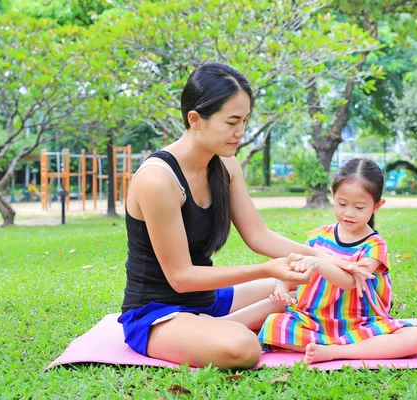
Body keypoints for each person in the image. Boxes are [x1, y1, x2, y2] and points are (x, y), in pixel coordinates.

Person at [118, 62, 365, 370]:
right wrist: (268, 271)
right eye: (232, 121)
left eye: (245, 120)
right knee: (242, 348)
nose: (241, 132)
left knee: (315, 280)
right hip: (157, 314)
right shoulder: (158, 180)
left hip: (207, 299)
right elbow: (181, 278)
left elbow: (258, 235)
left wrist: (327, 258)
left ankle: (221, 322)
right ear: (194, 119)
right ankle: (229, 326)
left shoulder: (225, 165)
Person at [259, 158, 417, 364]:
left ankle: (335, 352)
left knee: (416, 337)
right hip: (314, 321)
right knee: (273, 323)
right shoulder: (319, 237)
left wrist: (319, 262)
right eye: (342, 203)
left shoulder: (374, 245)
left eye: (359, 207)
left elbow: (350, 281)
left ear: (377, 206)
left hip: (361, 324)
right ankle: (340, 348)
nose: (348, 213)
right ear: (332, 195)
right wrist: (281, 290)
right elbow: (291, 265)